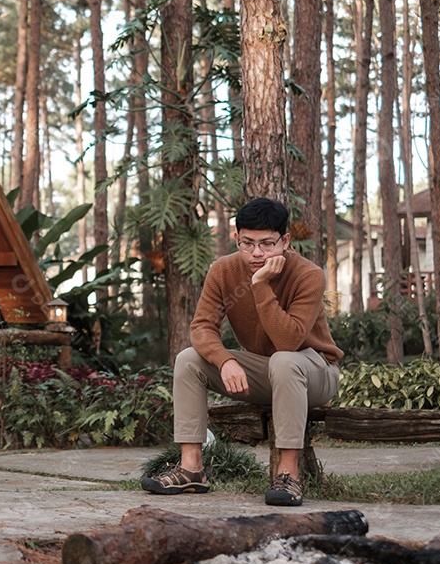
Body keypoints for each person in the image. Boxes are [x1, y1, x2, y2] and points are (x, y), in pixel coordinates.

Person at [141, 197, 343, 506]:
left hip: (315, 373)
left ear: (285, 241)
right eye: (247, 244)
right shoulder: (223, 270)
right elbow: (202, 327)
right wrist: (225, 361)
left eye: (267, 244)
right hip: (269, 371)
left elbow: (288, 341)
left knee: (285, 360)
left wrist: (260, 284)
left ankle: (288, 475)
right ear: (237, 238)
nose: (257, 253)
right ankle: (191, 468)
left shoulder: (308, 275)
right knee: (189, 360)